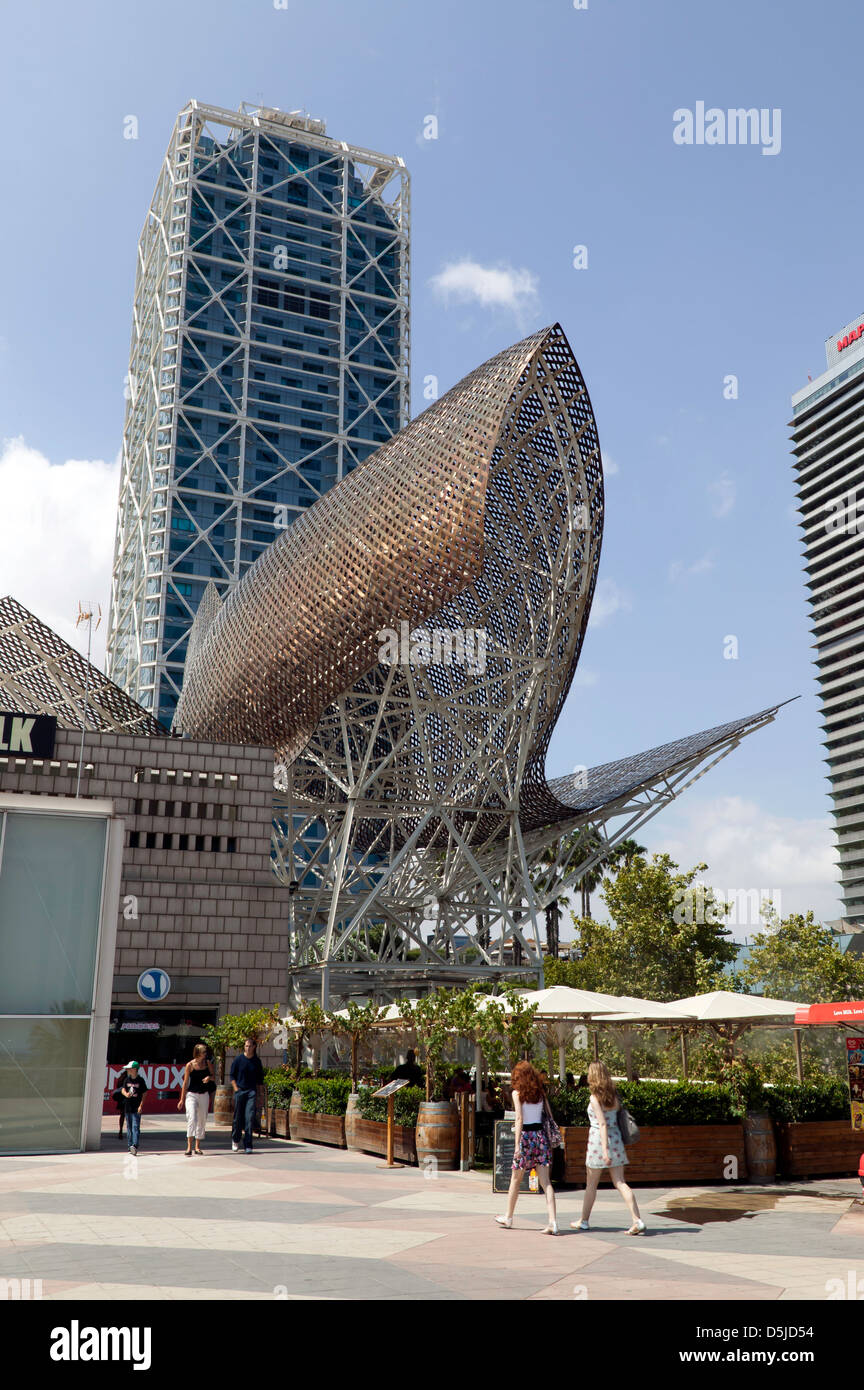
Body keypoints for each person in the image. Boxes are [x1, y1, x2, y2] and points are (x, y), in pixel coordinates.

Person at [572, 1061, 645, 1236]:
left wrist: (604, 1151)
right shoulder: (614, 1096)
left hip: (599, 1142)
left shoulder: (594, 1098)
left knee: (591, 1184)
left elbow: (602, 1124)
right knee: (620, 1182)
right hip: (617, 1139)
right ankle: (637, 1220)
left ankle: (584, 1220)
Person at [495, 1060, 558, 1235]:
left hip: (525, 1138)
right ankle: (553, 1221)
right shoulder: (540, 1094)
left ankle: (508, 1216)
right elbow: (549, 1115)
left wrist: (516, 1145)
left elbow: (519, 1120)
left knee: (516, 1179)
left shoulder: (517, 1094)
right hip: (540, 1137)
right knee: (546, 1182)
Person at [178, 1043, 216, 1156]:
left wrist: (209, 1078)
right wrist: (181, 1099)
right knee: (191, 1118)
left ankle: (197, 1146)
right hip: (191, 1094)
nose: (205, 1054)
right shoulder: (190, 1065)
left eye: (205, 1052)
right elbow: (185, 1083)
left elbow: (214, 1077)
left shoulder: (208, 1063)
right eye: (204, 1052)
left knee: (202, 1119)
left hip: (204, 1094)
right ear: (198, 1053)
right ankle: (189, 1146)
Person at [230, 1037, 265, 1154]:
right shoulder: (238, 1060)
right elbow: (232, 1076)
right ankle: (235, 1139)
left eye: (250, 1046)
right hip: (240, 1090)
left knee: (249, 1118)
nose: (248, 1048)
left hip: (251, 1092)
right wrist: (236, 1090)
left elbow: (260, 1081)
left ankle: (248, 1144)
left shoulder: (256, 1061)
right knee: (238, 1117)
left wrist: (260, 1097)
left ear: (254, 1047)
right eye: (246, 1046)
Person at [120, 1062, 148, 1156]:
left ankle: (135, 1145)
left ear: (134, 1069)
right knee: (129, 1127)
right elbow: (123, 1089)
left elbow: (144, 1093)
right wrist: (126, 1094)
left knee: (135, 1127)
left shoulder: (140, 1080)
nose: (128, 1070)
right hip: (128, 1107)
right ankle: (130, 1145)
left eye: (129, 1068)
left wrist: (141, 1106)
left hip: (136, 1107)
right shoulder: (127, 1079)